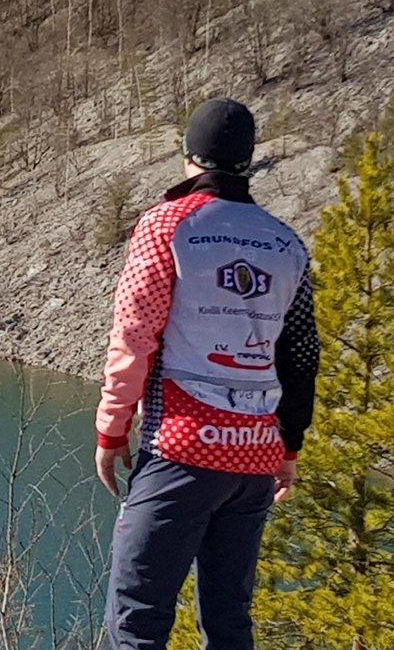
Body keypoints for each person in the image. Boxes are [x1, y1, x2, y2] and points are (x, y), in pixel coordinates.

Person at [95, 98, 318, 649]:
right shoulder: (286, 243)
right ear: (248, 161)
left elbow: (134, 334)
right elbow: (302, 356)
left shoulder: (166, 225)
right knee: (229, 622)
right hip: (253, 459)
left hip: (181, 450)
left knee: (137, 620)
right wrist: (288, 449)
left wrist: (111, 429)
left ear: (188, 155)